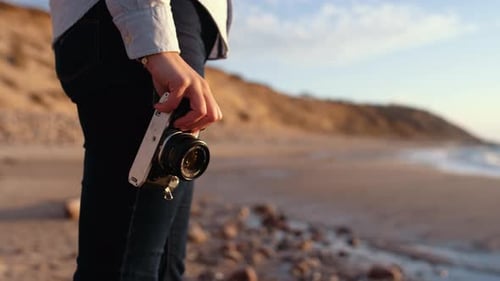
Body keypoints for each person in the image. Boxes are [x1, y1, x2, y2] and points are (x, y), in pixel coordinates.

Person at [49, 0, 231, 280]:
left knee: (162, 268)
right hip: (145, 22)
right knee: (125, 270)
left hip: (135, 26)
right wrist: (153, 42)